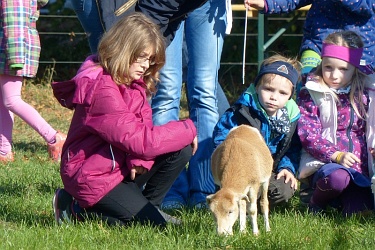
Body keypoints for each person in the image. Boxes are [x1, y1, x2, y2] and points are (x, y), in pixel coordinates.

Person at [51, 13, 198, 227]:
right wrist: (189, 127)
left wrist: (140, 161)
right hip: (92, 176)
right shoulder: (102, 88)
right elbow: (140, 141)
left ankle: (150, 207)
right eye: (142, 57)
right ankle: (73, 208)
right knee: (152, 226)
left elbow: (143, 130)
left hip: (116, 168)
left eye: (150, 60)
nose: (146, 66)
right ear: (124, 48)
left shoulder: (134, 84)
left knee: (181, 148)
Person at [137, 0, 232, 210]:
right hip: (165, 4)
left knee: (206, 93)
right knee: (165, 92)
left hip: (209, 5)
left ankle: (205, 188)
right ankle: (171, 188)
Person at [297, 30, 374, 215]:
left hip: (359, 167)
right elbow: (308, 134)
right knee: (337, 179)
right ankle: (314, 202)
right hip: (325, 164)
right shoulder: (311, 92)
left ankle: (339, 202)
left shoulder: (366, 92)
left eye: (343, 69)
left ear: (355, 68)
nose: (334, 75)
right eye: (328, 67)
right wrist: (335, 155)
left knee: (360, 211)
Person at [213, 54, 301, 207]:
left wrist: (287, 168)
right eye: (268, 89)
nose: (274, 97)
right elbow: (221, 140)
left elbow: (293, 148)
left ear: (290, 96)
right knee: (245, 190)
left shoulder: (292, 118)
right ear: (257, 87)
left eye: (282, 93)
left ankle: (259, 204)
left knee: (283, 189)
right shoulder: (241, 113)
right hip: (240, 170)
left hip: (270, 169)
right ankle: (241, 204)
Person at [243, 0, 375, 92]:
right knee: (307, 85)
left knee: (361, 95)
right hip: (317, 43)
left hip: (358, 49)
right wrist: (267, 3)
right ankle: (305, 127)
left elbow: (368, 6)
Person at [0, 0, 66, 162]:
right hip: (8, 49)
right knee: (3, 100)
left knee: (11, 100)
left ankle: (53, 137)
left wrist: (15, 58)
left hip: (13, 52)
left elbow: (15, 23)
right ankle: (4, 151)